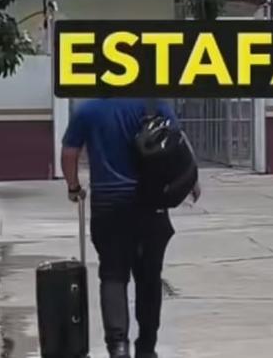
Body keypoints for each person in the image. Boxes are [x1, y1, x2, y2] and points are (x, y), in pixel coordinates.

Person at [61, 98, 201, 358]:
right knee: (149, 279)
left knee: (113, 275)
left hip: (108, 206)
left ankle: (118, 347)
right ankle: (146, 347)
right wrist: (191, 179)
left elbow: (69, 153)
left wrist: (74, 188)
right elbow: (177, 141)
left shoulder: (89, 109)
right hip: (151, 204)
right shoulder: (153, 103)